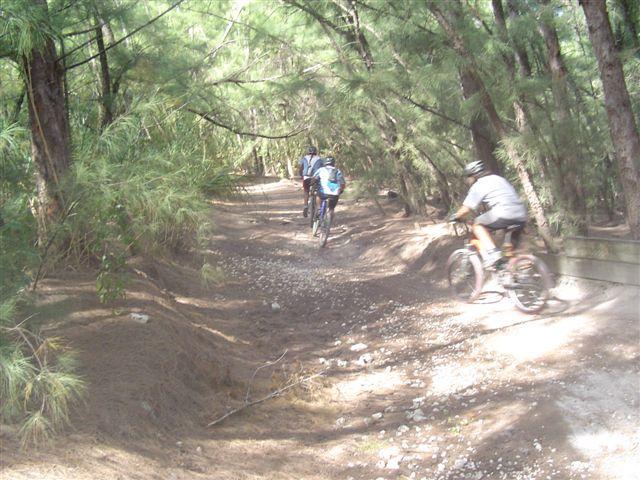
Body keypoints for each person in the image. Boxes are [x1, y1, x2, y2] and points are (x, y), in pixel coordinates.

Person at [450, 160, 527, 268]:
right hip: (521, 214)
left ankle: (493, 254)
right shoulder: (499, 179)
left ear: (473, 175)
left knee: (477, 225)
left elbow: (466, 208)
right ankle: (514, 272)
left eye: (468, 176)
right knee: (508, 253)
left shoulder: (479, 185)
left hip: (504, 213)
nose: (468, 179)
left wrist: (455, 216)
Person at [312, 156, 346, 221]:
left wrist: (312, 184)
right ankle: (328, 225)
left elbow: (314, 178)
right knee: (331, 209)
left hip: (323, 193)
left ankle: (319, 209)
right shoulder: (338, 171)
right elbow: (343, 183)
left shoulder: (321, 170)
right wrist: (341, 190)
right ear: (333, 163)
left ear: (325, 162)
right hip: (335, 194)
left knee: (318, 195)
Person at [298, 146, 323, 217]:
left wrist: (301, 175)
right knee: (318, 192)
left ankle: (305, 206)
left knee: (306, 191)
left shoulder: (304, 158)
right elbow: (322, 169)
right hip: (315, 178)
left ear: (308, 152)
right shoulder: (319, 159)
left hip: (306, 178)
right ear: (316, 152)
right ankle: (318, 207)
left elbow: (301, 168)